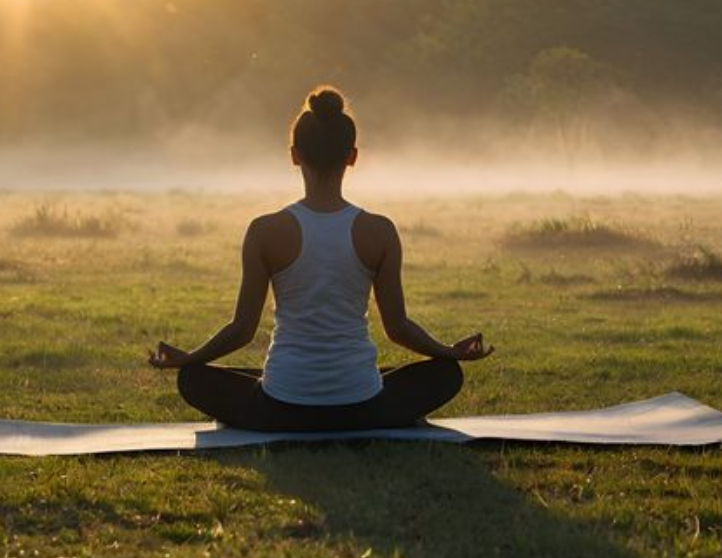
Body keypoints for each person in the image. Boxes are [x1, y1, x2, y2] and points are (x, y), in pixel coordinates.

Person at [148, 86, 493, 431]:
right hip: (364, 407)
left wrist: (189, 359)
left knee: (193, 378)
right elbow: (398, 328)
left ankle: (284, 389)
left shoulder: (265, 230)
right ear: (352, 157)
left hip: (279, 408)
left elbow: (242, 330)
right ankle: (354, 393)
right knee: (446, 373)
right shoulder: (380, 230)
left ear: (294, 155)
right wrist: (450, 352)